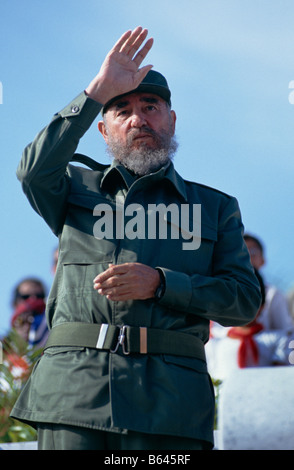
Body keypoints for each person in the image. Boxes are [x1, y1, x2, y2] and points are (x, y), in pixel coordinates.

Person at [11, 27, 261, 450]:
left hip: (172, 407)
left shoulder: (215, 207)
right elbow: (32, 171)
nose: (138, 117)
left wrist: (162, 284)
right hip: (75, 398)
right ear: (103, 130)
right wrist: (94, 93)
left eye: (150, 106)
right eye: (121, 108)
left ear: (171, 119)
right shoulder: (73, 189)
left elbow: (243, 302)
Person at [206, 269, 294, 381]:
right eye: (236, 302)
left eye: (250, 303)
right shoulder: (213, 346)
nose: (242, 309)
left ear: (262, 306)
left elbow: (281, 378)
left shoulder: (280, 341)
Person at [244, 233, 293, 330]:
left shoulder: (273, 294)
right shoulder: (223, 290)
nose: (247, 257)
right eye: (242, 251)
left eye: (253, 251)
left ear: (263, 260)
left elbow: (286, 332)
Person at [10, 278, 48, 348]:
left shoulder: (53, 328)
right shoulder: (5, 347)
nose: (33, 300)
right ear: (15, 302)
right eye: (26, 297)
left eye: (39, 296)